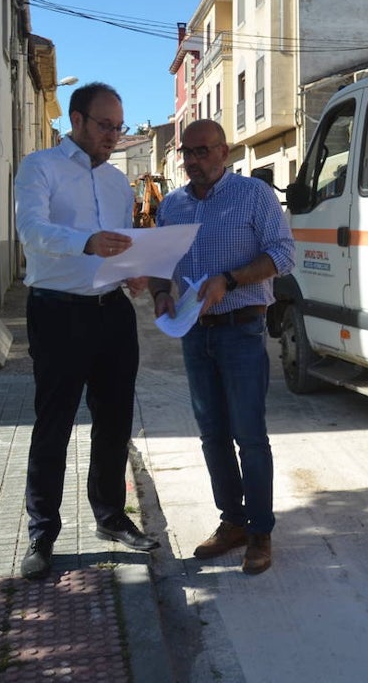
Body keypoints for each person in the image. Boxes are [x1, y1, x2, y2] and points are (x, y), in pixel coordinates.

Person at [13, 81, 159, 581]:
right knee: (53, 422)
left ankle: (111, 517)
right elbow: (32, 231)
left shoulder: (119, 184)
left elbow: (116, 249)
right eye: (105, 126)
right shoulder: (40, 168)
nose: (114, 136)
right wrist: (87, 242)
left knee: (116, 419)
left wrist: (132, 271)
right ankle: (42, 530)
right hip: (57, 313)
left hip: (111, 312)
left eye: (119, 127)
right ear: (76, 120)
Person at [149, 119, 295, 574]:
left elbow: (283, 255)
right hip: (195, 333)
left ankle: (260, 531)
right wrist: (159, 293)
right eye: (187, 153)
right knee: (212, 434)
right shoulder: (171, 205)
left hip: (242, 330)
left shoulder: (254, 195)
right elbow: (158, 260)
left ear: (224, 152)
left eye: (203, 151)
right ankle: (232, 521)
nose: (194, 161)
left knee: (249, 435)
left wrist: (228, 280)